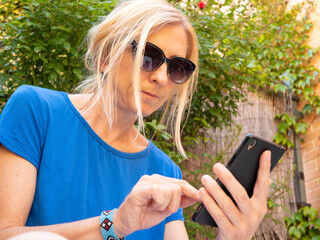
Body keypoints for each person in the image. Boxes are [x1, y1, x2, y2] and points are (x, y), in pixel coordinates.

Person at [0, 0, 272, 239]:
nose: (162, 77)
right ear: (106, 56)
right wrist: (113, 225)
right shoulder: (36, 111)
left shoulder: (164, 171)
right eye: (148, 55)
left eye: (177, 67)